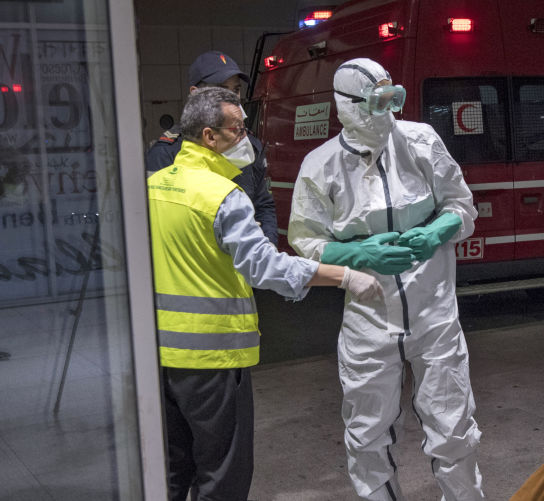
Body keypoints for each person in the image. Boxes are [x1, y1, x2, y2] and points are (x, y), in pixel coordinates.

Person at [149, 87, 382, 501]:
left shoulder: (152, 187)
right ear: (209, 136)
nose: (247, 138)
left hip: (158, 357)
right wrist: (342, 276)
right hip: (212, 359)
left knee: (171, 471)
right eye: (237, 130)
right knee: (222, 475)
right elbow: (265, 267)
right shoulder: (223, 196)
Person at [288, 58, 485, 501]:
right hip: (369, 322)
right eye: (376, 103)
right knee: (367, 435)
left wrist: (437, 231)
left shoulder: (420, 141)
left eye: (393, 100)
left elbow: (462, 206)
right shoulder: (321, 165)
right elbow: (305, 240)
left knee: (454, 428)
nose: (388, 112)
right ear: (346, 105)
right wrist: (357, 253)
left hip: (434, 315)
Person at [147, 50, 278, 245]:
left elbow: (263, 206)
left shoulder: (249, 146)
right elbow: (156, 221)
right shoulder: (166, 152)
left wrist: (267, 247)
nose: (231, 98)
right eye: (221, 91)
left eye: (235, 90)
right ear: (195, 94)